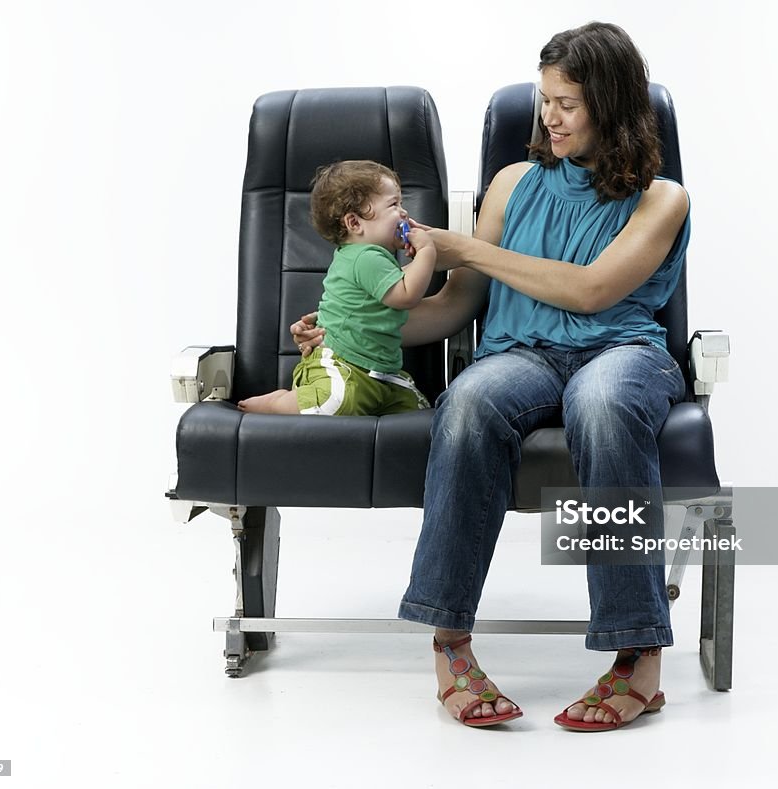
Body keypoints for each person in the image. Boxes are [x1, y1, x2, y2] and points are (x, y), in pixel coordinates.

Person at [292, 22, 690, 730]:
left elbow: (594, 290)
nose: (549, 117)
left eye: (567, 102)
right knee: (469, 399)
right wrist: (352, 334)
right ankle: (451, 645)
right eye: (544, 100)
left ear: (612, 101)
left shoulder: (662, 199)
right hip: (522, 351)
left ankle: (637, 654)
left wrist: (468, 244)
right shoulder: (512, 183)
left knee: (599, 403)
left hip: (621, 350)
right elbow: (458, 302)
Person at [238, 160, 435, 416]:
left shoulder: (368, 257)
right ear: (354, 223)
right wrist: (428, 251)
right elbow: (406, 295)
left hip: (380, 371)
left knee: (418, 409)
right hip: (345, 364)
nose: (404, 213)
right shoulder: (365, 257)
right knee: (334, 403)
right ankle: (279, 402)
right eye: (394, 204)